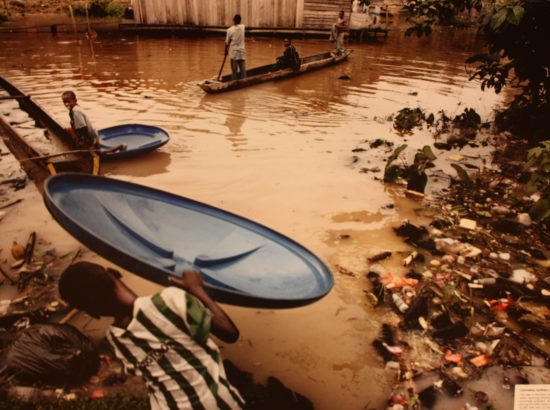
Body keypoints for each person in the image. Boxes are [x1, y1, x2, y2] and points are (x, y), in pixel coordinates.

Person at [58, 262, 245, 410]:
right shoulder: (169, 301)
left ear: (92, 313)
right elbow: (229, 333)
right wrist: (195, 288)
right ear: (114, 273)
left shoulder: (115, 339)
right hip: (219, 403)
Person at [225, 14, 246, 81]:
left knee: (234, 72)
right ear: (240, 21)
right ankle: (244, 81)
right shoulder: (243, 27)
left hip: (234, 53)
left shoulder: (229, 30)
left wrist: (225, 51)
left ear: (233, 21)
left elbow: (226, 43)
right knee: (243, 71)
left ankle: (234, 82)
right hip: (242, 52)